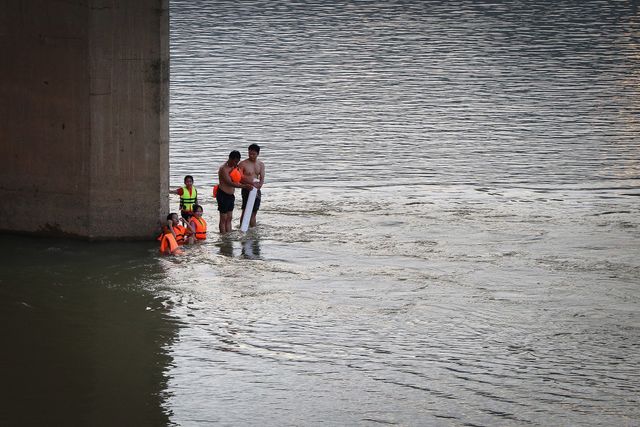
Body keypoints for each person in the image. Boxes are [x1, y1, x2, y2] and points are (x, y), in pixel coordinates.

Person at [216, 150, 253, 233]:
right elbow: (230, 183)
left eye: (238, 161)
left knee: (229, 217)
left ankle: (228, 234)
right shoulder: (223, 169)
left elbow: (239, 179)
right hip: (223, 194)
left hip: (231, 195)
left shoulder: (234, 167)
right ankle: (223, 236)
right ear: (230, 159)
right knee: (223, 218)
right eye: (235, 161)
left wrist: (250, 183)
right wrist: (245, 186)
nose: (236, 163)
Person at [238, 143, 265, 229]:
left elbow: (262, 177)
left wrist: (260, 185)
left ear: (258, 154)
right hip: (246, 188)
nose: (251, 155)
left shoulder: (261, 164)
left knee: (254, 211)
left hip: (256, 190)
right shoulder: (243, 164)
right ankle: (242, 228)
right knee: (245, 210)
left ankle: (253, 229)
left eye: (253, 154)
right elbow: (239, 178)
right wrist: (251, 183)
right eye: (250, 153)